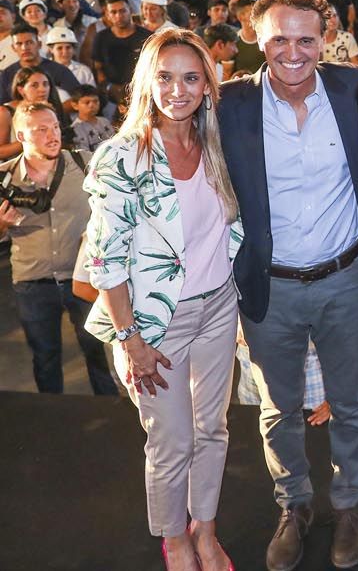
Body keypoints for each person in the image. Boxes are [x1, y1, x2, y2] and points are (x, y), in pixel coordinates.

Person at [217, 0, 358, 571]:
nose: (292, 50)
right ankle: (295, 505)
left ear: (325, 38)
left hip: (347, 276)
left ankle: (350, 505)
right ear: (256, 39)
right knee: (277, 407)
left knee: (352, 401)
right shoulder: (228, 103)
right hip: (268, 284)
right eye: (278, 38)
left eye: (305, 38)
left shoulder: (353, 86)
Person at [81, 29, 243, 571]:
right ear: (147, 82)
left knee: (212, 428)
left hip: (219, 308)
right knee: (171, 440)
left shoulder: (216, 144)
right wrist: (130, 339)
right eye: (166, 77)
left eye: (192, 77)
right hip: (156, 323)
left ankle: (206, 530)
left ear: (208, 84)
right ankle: (173, 539)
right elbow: (104, 259)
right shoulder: (120, 157)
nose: (179, 89)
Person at [0, 101, 115, 396]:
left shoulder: (85, 162)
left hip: (84, 280)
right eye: (41, 130)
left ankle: (114, 416)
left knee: (97, 353)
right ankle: (52, 422)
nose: (53, 135)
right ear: (22, 137)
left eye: (54, 127)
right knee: (45, 359)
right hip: (32, 283)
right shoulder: (4, 178)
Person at [69, 84, 113, 153]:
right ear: (75, 105)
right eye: (87, 102)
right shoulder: (75, 129)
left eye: (95, 101)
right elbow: (84, 154)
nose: (92, 105)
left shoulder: (105, 121)